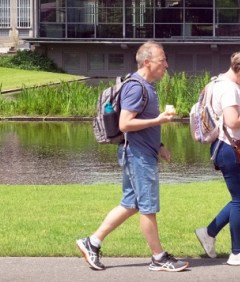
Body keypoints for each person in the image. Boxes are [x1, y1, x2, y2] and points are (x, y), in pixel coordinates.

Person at [76, 41, 188, 272]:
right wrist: (159, 120)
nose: (166, 64)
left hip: (140, 152)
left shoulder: (147, 86)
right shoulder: (136, 87)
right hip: (137, 156)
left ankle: (92, 243)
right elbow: (125, 123)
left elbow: (140, 125)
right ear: (147, 62)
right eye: (162, 60)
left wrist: (159, 145)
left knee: (131, 204)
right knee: (148, 207)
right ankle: (159, 258)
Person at [194, 49, 240, 266]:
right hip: (232, 149)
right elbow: (233, 121)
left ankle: (209, 232)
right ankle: (237, 252)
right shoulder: (229, 89)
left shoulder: (216, 83)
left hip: (230, 147)